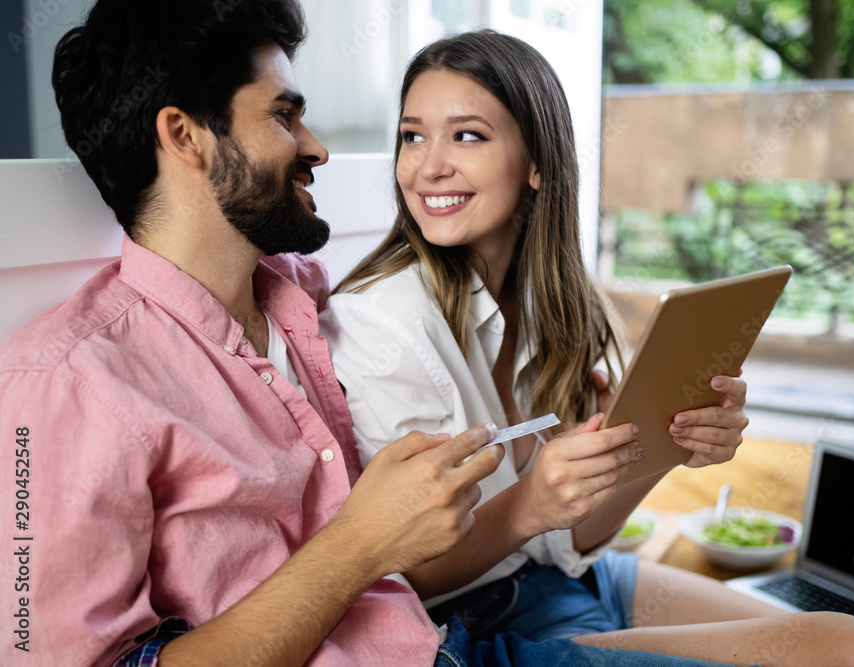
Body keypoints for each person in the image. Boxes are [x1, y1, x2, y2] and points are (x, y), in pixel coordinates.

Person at [0, 3, 746, 667]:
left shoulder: (302, 299)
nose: (318, 147)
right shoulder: (62, 383)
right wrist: (362, 540)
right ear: (185, 137)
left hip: (443, 632)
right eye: (285, 117)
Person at [325, 30, 854, 667]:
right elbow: (394, 574)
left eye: (467, 135)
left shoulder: (552, 304)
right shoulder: (385, 324)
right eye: (412, 135)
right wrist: (527, 505)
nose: (428, 166)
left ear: (537, 161)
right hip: (461, 625)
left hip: (558, 577)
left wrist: (665, 442)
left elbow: (573, 536)